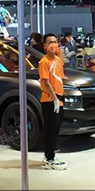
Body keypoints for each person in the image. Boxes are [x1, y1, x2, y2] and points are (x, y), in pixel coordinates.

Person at [38, 33, 66, 170]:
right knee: (50, 130)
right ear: (44, 46)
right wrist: (54, 98)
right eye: (50, 42)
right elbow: (45, 81)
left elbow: (59, 78)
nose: (53, 45)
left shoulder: (58, 60)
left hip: (59, 99)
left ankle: (50, 155)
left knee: (55, 129)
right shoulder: (44, 62)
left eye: (55, 42)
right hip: (49, 100)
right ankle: (50, 159)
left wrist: (59, 98)